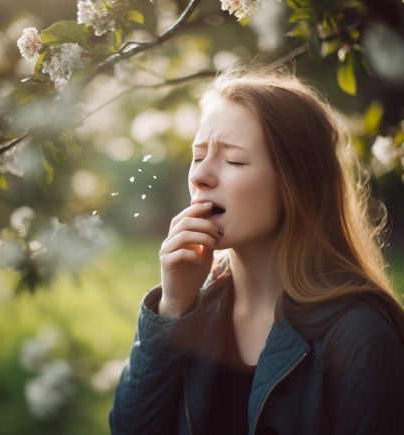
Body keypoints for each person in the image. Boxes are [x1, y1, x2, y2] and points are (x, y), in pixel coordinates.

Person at [109, 68, 404, 435]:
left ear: (296, 184)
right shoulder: (193, 309)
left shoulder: (359, 336)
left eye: (233, 160)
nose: (200, 177)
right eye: (198, 155)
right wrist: (171, 309)